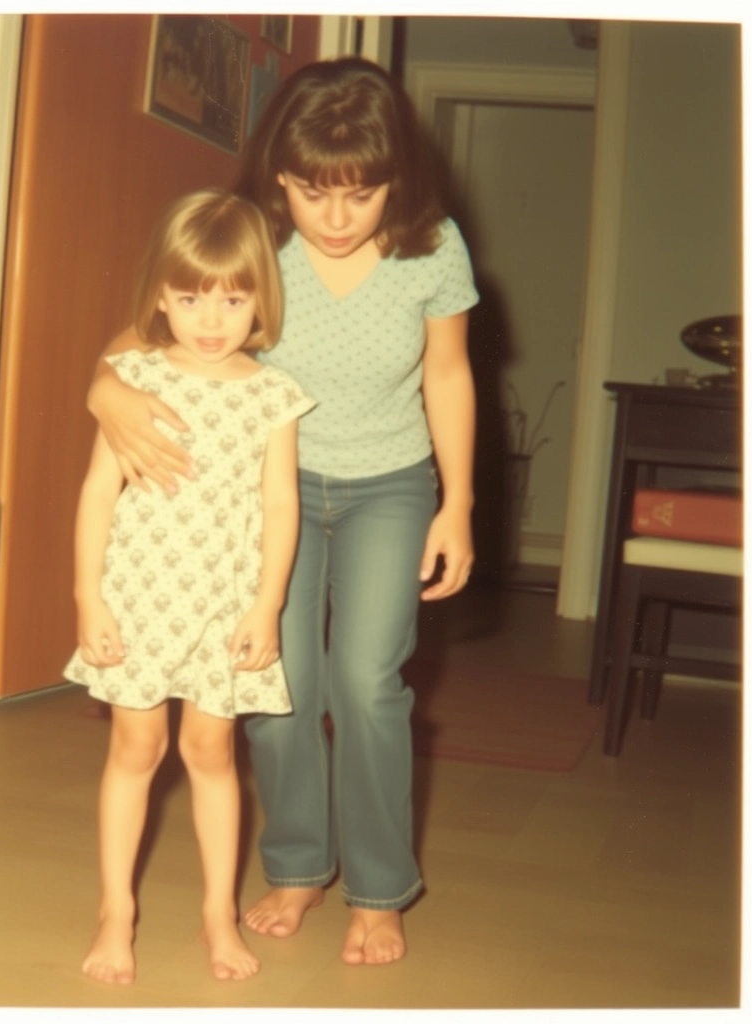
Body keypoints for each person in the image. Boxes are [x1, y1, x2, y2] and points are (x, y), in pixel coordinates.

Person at [87, 57, 479, 967]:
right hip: (272, 489)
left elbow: (450, 374)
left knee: (367, 683)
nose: (335, 219)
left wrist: (456, 503)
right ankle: (299, 868)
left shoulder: (435, 245)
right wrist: (103, 391)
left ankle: (380, 887)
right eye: (312, 193)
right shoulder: (256, 234)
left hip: (390, 481)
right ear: (280, 180)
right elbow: (148, 335)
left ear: (398, 181)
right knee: (276, 683)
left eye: (361, 194)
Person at [65, 188, 316, 984]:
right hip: (136, 596)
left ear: (260, 301)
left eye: (234, 298)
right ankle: (116, 910)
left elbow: (281, 504)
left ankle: (217, 912)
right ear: (162, 299)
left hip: (223, 603)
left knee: (212, 750)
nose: (212, 319)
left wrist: (268, 604)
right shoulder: (134, 379)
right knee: (136, 745)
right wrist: (87, 597)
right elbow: (98, 493)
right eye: (190, 297)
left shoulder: (274, 396)